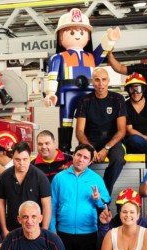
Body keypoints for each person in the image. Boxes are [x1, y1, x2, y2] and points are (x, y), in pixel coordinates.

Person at [43, 8, 120, 152]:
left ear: (88, 36)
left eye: (82, 31)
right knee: (66, 120)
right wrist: (50, 92)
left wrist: (109, 40)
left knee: (89, 120)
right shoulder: (58, 57)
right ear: (60, 37)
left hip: (89, 92)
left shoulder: (90, 57)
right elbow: (52, 75)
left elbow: (102, 51)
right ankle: (65, 148)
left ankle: (87, 147)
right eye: (72, 32)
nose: (78, 35)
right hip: (68, 92)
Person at [50, 144, 111, 250]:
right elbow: (52, 205)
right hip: (63, 233)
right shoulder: (59, 178)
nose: (81, 159)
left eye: (85, 157)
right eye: (78, 155)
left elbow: (106, 202)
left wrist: (98, 200)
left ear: (90, 161)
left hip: (88, 233)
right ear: (73, 156)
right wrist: (52, 230)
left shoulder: (95, 179)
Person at [74, 68, 127, 194]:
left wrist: (106, 148)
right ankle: (78, 192)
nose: (100, 83)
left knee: (118, 159)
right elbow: (79, 132)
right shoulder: (84, 100)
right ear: (92, 81)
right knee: (79, 162)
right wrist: (91, 149)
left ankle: (104, 192)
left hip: (112, 142)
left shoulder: (118, 99)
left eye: (104, 80)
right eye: (97, 80)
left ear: (108, 81)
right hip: (90, 142)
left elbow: (122, 130)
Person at [0, 142, 52, 236]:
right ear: (12, 158)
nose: (21, 163)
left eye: (25, 159)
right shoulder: (4, 176)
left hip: (35, 231)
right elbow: (0, 203)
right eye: (17, 159)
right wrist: (4, 229)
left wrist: (44, 230)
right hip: (11, 230)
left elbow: (47, 206)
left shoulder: (40, 177)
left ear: (30, 158)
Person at [123, 73, 147, 167]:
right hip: (135, 141)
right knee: (133, 139)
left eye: (138, 89)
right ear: (128, 91)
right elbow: (129, 130)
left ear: (144, 89)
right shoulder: (125, 106)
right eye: (131, 89)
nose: (135, 93)